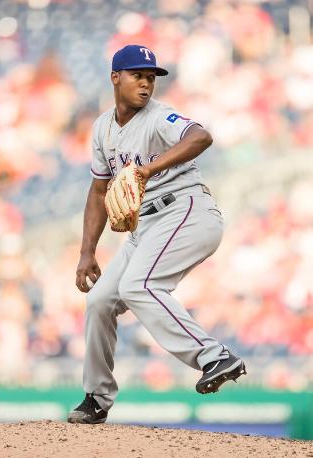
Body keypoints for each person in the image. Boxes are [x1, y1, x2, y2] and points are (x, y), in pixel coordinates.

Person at [68, 45, 246, 424]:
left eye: (151, 77)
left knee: (139, 286)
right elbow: (99, 191)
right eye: (137, 75)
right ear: (115, 77)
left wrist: (147, 172)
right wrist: (87, 252)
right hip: (145, 228)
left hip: (186, 210)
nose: (146, 83)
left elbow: (201, 137)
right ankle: (96, 398)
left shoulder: (159, 116)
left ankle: (213, 356)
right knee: (100, 300)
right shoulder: (102, 127)